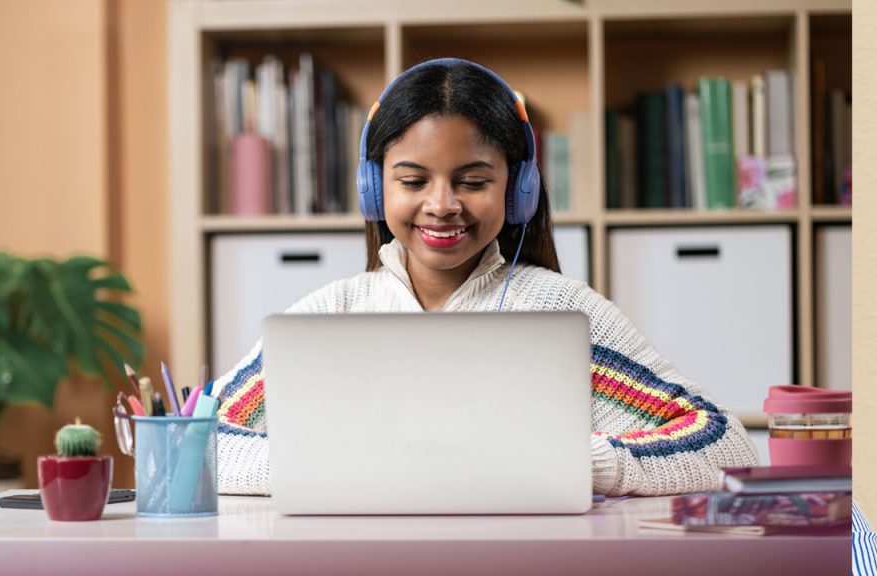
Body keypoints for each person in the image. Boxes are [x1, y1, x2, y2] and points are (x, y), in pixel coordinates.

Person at [212, 58, 758, 497]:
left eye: (472, 180)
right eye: (413, 180)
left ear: (518, 191)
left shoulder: (563, 314)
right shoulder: (334, 313)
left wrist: (572, 461)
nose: (442, 205)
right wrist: (341, 468)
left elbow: (724, 444)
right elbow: (204, 442)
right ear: (375, 190)